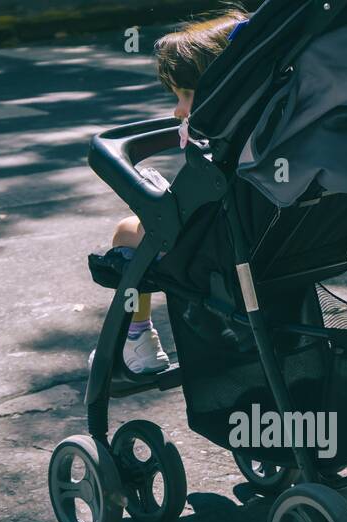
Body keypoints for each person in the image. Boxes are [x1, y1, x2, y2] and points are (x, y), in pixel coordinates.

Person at [97, 6, 248, 376]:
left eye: (185, 95)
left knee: (128, 230)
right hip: (285, 246)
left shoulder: (222, 147)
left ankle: (138, 341)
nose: (179, 111)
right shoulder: (275, 130)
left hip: (223, 251)